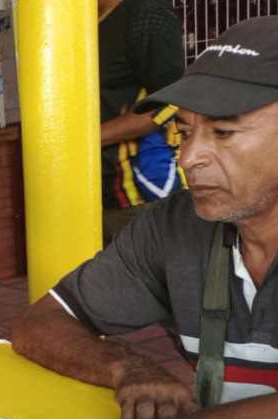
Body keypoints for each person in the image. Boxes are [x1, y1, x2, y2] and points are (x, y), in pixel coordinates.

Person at [0, 16, 278, 419]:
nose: (190, 158)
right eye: (185, 131)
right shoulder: (176, 227)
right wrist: (130, 368)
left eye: (224, 133)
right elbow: (41, 323)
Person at [98, 0, 185, 240]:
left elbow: (171, 101)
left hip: (143, 196)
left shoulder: (147, 14)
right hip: (91, 195)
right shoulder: (74, 25)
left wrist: (87, 140)